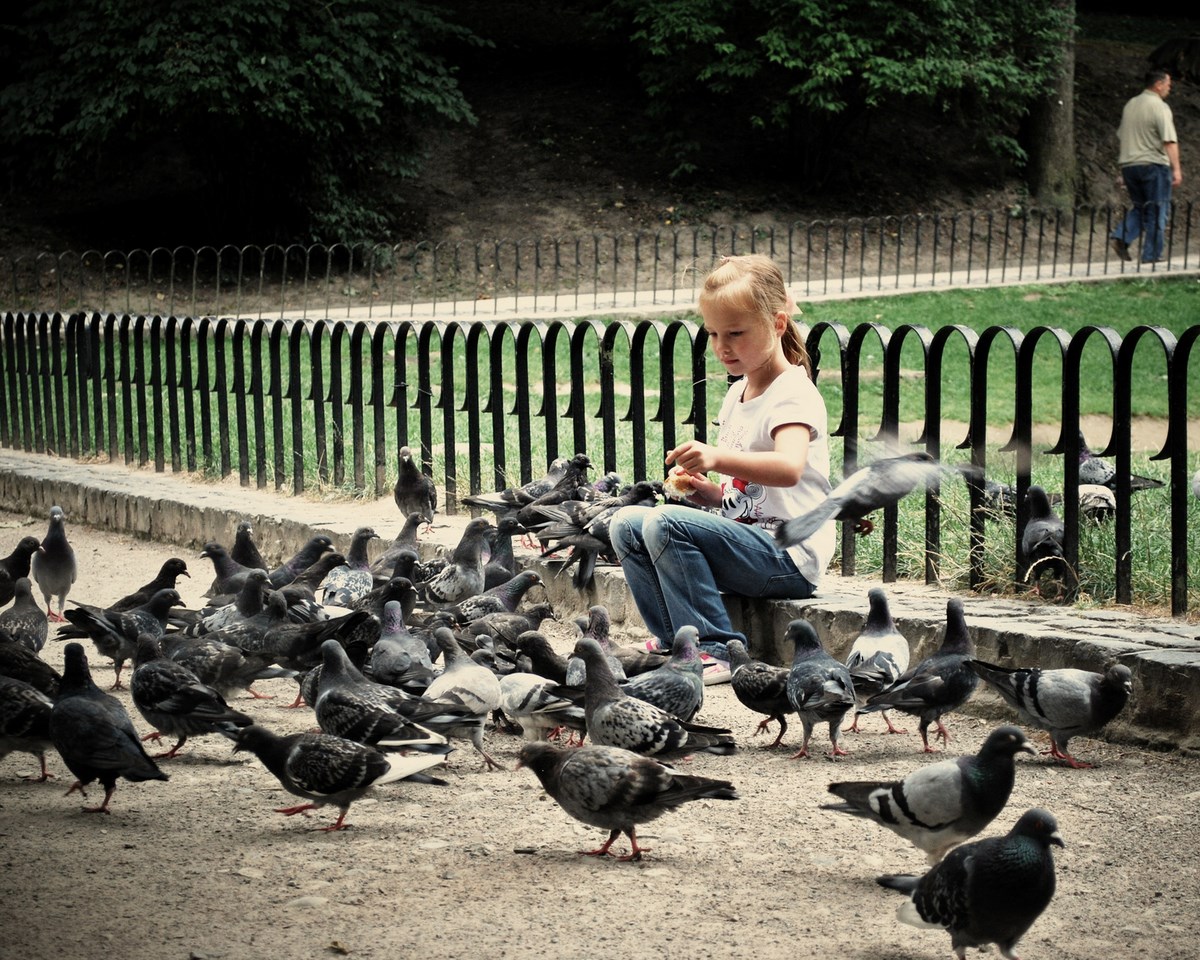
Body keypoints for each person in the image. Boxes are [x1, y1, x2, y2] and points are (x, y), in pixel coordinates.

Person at [609, 255, 836, 684]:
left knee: (666, 523)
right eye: (713, 333)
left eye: (735, 333)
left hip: (789, 556)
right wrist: (707, 493)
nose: (722, 346)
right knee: (626, 522)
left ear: (778, 324)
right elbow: (747, 496)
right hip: (753, 542)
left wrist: (715, 456)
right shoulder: (738, 393)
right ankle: (677, 642)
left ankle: (717, 649)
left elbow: (788, 469)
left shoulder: (793, 393)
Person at [1110, 68, 1183, 265]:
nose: (1169, 88)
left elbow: (1123, 137)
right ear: (1158, 85)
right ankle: (1151, 255)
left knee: (1141, 208)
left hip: (1130, 165)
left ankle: (1121, 236)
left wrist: (1124, 169)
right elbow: (1169, 141)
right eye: (1168, 84)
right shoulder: (1159, 106)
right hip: (1153, 165)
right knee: (1158, 210)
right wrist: (1176, 169)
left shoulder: (1131, 104)